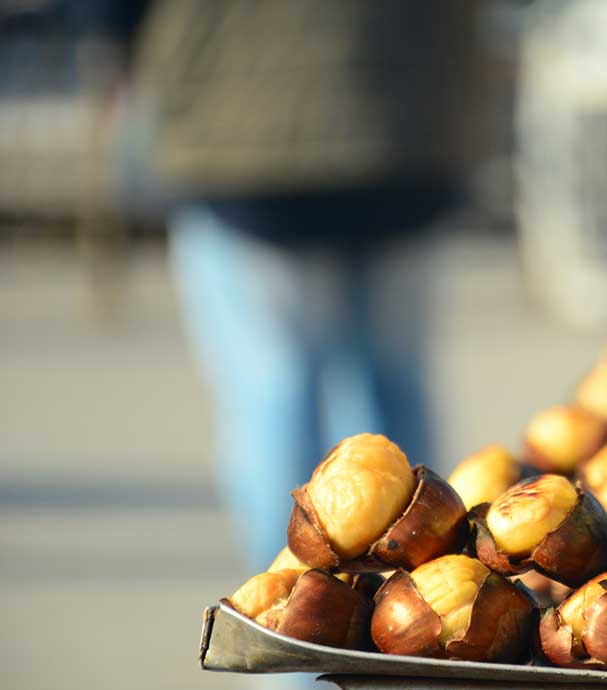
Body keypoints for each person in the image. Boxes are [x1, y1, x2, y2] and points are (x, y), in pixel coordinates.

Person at [127, 0, 476, 573]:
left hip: (244, 126)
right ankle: (417, 622)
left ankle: (297, 632)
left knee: (274, 393)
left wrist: (121, 40)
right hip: (403, 113)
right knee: (395, 386)